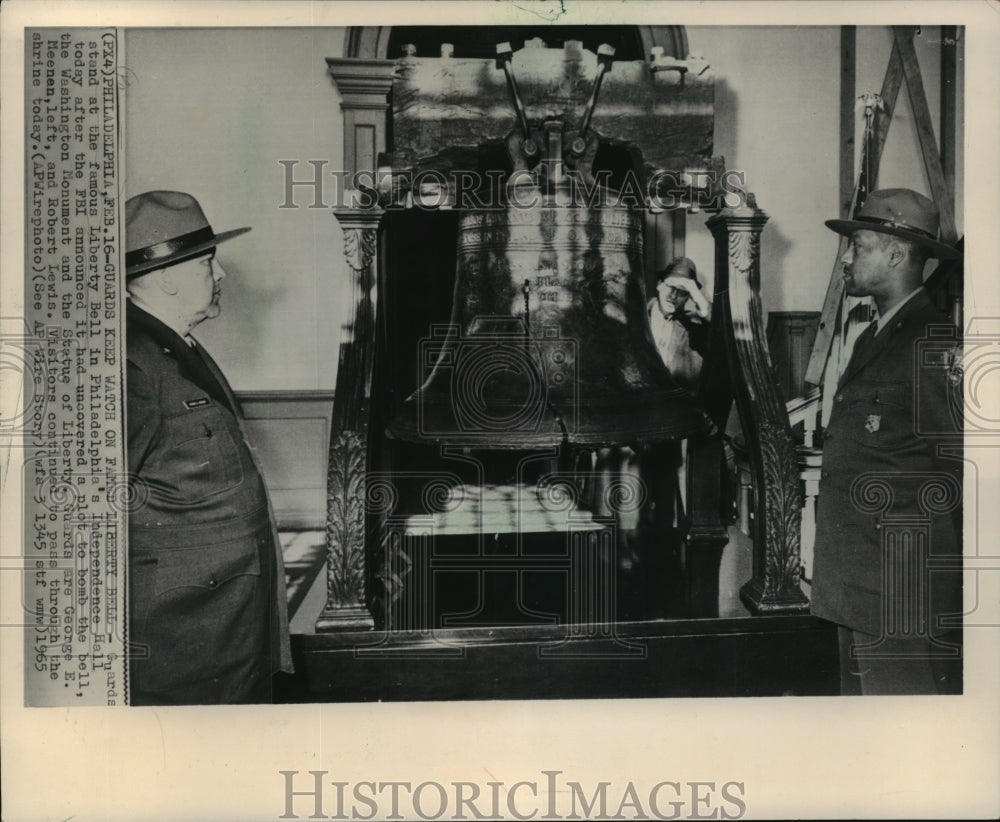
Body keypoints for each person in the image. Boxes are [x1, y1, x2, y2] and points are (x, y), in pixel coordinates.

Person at [124, 190, 292, 704]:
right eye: (207, 262)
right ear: (169, 277)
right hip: (186, 629)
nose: (220, 275)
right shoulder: (132, 362)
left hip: (225, 612)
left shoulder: (175, 344)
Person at [812, 188, 963, 695]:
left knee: (904, 739)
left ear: (897, 254)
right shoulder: (872, 338)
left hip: (901, 594)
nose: (847, 258)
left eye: (859, 245)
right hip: (854, 584)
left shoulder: (932, 342)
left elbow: (961, 472)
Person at [647, 256, 712, 389]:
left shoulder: (693, 329)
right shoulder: (637, 316)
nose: (673, 296)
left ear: (690, 296)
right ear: (659, 284)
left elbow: (721, 328)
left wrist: (697, 294)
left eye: (682, 292)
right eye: (671, 286)